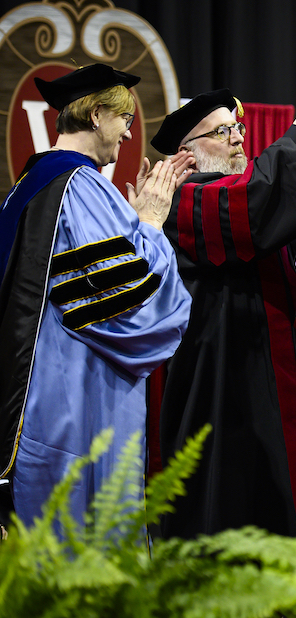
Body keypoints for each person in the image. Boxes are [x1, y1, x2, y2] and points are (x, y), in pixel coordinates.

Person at [149, 81, 296, 540]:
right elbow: (254, 204)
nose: (238, 137)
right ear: (187, 153)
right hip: (219, 382)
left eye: (237, 128)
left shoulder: (236, 190)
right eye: (222, 132)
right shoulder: (184, 199)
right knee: (230, 504)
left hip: (273, 377)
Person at [0, 64, 191, 529]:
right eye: (124, 120)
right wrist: (149, 222)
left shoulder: (26, 186)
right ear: (97, 116)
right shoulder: (81, 185)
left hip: (28, 385)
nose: (128, 135)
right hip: (71, 394)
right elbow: (130, 309)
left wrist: (127, 224)